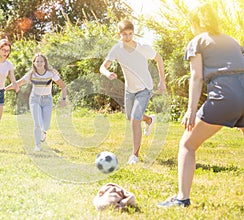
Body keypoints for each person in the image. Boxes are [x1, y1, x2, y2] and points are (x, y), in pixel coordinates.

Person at [157, 3, 244, 208]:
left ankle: (181, 198)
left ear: (195, 22)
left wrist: (190, 110)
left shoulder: (197, 42)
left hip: (225, 95)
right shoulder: (232, 41)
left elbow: (196, 77)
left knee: (187, 144)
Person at [100, 20, 166, 164]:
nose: (128, 37)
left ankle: (134, 155)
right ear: (119, 34)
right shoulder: (117, 49)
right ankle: (149, 120)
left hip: (145, 87)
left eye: (130, 34)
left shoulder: (143, 48)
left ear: (133, 33)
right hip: (130, 89)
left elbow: (159, 59)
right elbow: (103, 66)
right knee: (130, 117)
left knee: (135, 120)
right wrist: (107, 73)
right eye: (124, 34)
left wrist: (162, 81)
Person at [5, 53, 67, 152]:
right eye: (37, 61)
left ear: (45, 63)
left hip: (47, 100)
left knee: (45, 125)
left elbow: (63, 86)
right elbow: (18, 83)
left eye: (41, 61)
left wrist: (63, 99)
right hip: (35, 99)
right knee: (37, 123)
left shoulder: (51, 74)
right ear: (34, 63)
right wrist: (4, 89)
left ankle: (43, 132)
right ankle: (37, 145)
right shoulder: (31, 74)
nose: (39, 63)